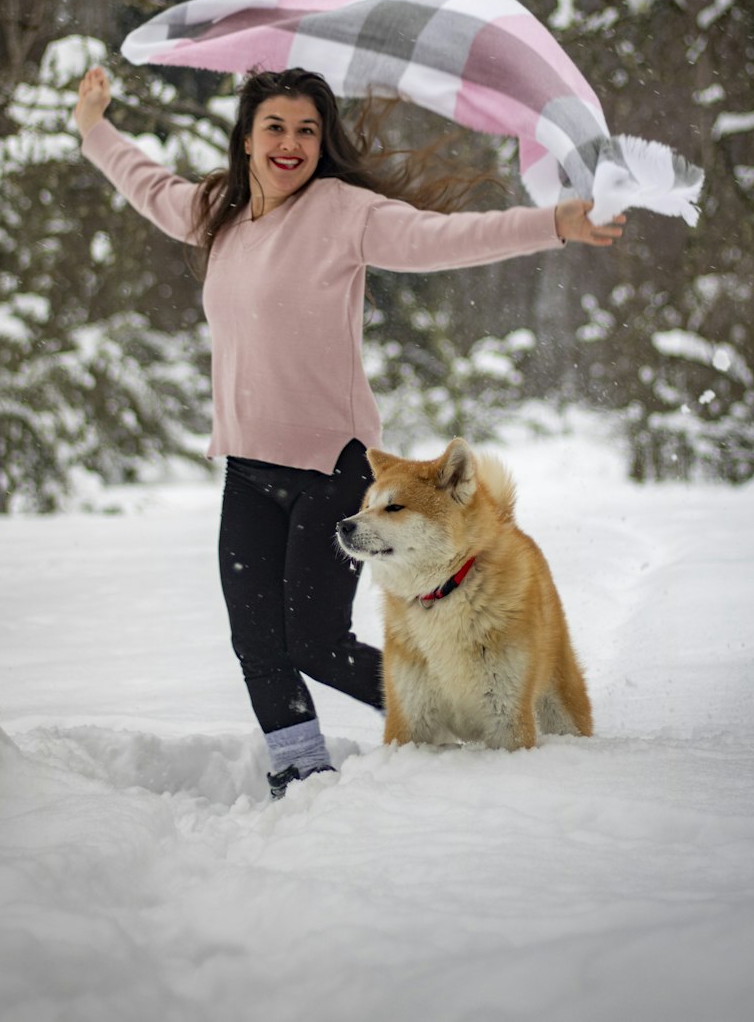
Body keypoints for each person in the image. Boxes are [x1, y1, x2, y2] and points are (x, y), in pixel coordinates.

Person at [74, 63, 624, 797]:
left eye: (308, 129)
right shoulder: (219, 211)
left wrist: (553, 224)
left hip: (330, 470)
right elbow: (149, 184)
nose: (291, 143)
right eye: (275, 126)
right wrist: (93, 127)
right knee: (257, 642)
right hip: (247, 468)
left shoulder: (341, 211)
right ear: (245, 138)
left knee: (316, 641)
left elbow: (441, 239)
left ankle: (450, 713)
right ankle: (299, 769)